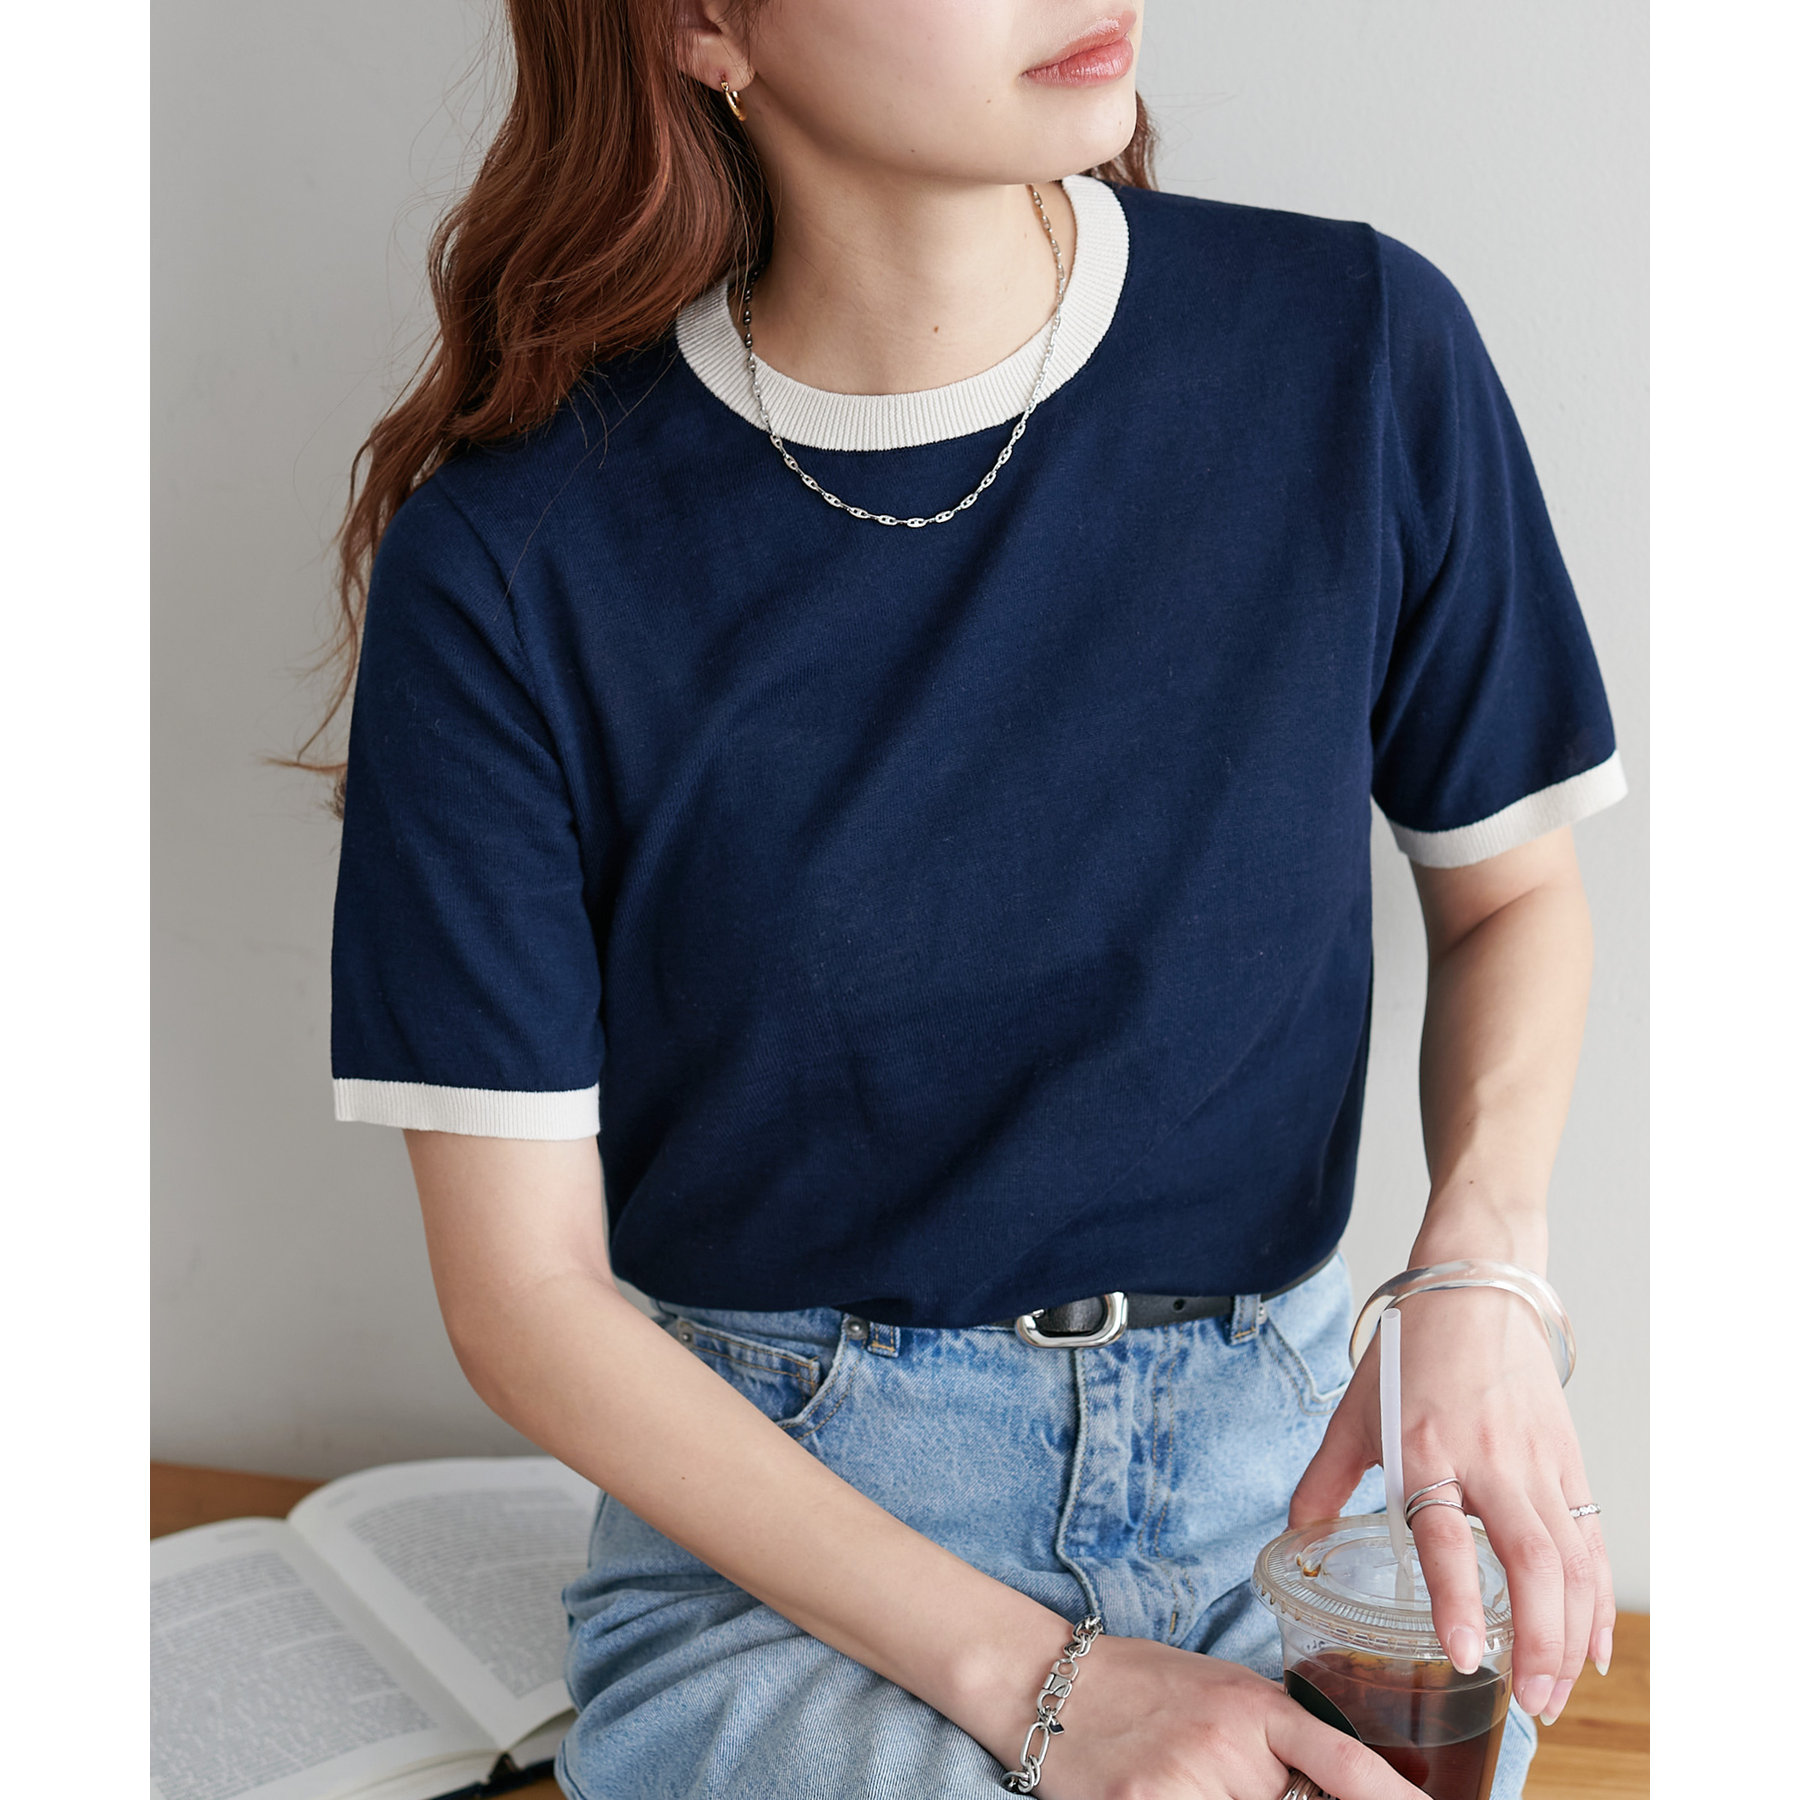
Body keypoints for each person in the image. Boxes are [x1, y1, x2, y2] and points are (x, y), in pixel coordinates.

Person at [320, 4, 1627, 1796]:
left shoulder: (1358, 345)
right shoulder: (515, 556)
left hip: (1294, 1501)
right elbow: (522, 1296)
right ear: (705, 25)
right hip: (795, 1563)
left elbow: (1510, 901)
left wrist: (1477, 1271)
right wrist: (1051, 1693)